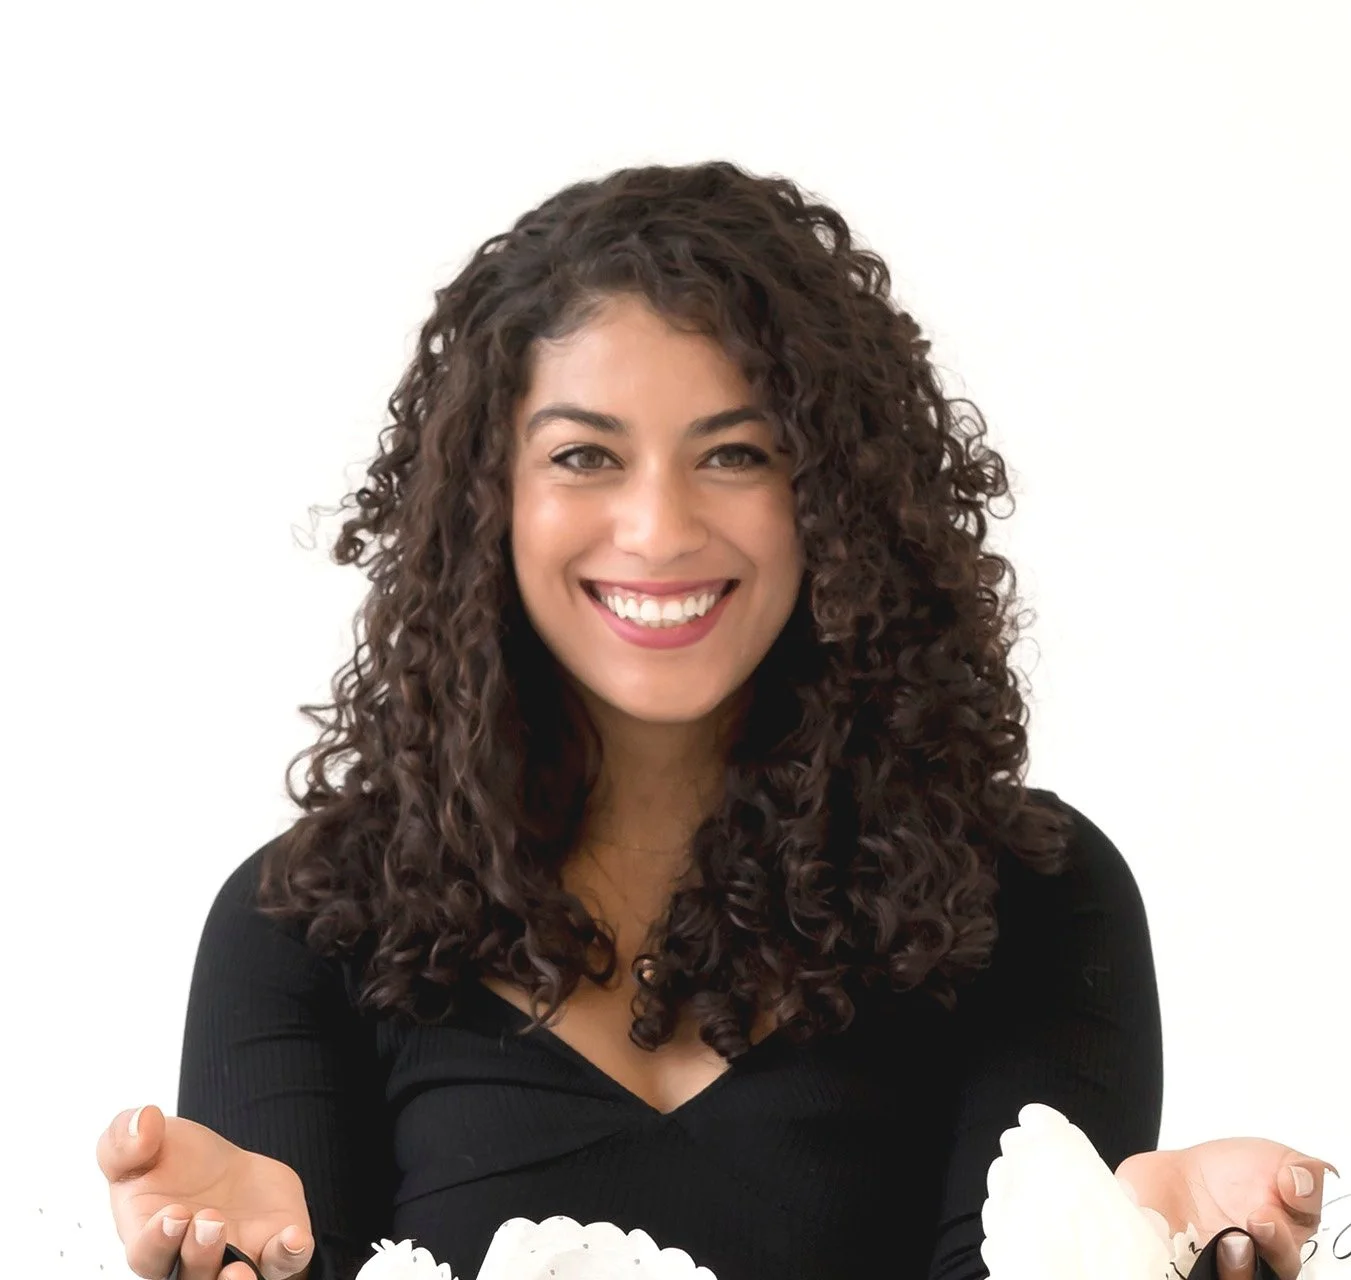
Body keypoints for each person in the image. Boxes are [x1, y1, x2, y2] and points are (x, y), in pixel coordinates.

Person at [97, 161, 1331, 1280]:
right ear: (486, 499)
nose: (659, 528)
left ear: (835, 495)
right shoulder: (302, 927)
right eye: (585, 456)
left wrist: (1110, 1263)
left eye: (735, 453)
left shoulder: (1031, 898)